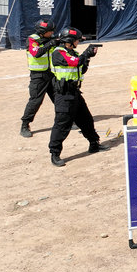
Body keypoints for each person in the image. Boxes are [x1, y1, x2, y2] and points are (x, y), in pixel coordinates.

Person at [48, 28, 106, 167]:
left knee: (86, 119)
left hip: (75, 92)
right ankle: (55, 153)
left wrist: (88, 57)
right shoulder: (58, 53)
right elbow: (74, 62)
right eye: (76, 40)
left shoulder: (73, 53)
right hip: (64, 94)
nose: (78, 42)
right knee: (62, 124)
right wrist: (85, 54)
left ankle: (94, 143)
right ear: (69, 41)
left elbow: (81, 68)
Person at [20, 19, 56, 138]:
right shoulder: (32, 39)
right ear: (42, 32)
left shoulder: (50, 38)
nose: (52, 33)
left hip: (51, 73)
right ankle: (25, 124)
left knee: (59, 98)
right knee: (35, 101)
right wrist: (50, 43)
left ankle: (67, 120)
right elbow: (36, 53)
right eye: (50, 31)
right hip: (38, 76)